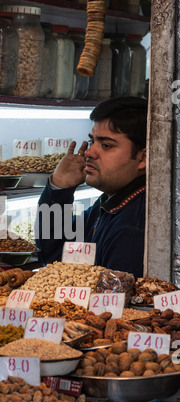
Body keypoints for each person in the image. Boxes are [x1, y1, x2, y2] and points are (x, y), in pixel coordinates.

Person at [36, 96, 148, 278]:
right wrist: (59, 189)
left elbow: (113, 303)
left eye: (106, 145)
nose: (89, 152)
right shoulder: (111, 203)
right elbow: (56, 256)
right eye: (92, 141)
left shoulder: (133, 227)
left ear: (143, 158)